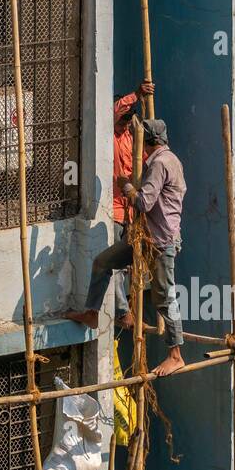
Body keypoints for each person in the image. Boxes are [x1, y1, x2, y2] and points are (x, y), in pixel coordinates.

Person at [66, 118, 185, 377]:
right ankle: (91, 312)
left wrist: (127, 186)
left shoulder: (161, 163)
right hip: (143, 238)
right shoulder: (166, 160)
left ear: (149, 143)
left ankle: (176, 354)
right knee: (103, 262)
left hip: (159, 242)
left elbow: (144, 203)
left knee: (166, 298)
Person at [110, 81, 155, 329]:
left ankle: (129, 303)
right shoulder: (110, 135)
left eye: (127, 122)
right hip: (116, 208)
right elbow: (114, 111)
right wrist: (136, 94)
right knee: (116, 264)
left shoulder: (130, 134)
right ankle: (121, 310)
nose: (124, 125)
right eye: (121, 121)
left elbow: (145, 161)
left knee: (130, 262)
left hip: (132, 209)